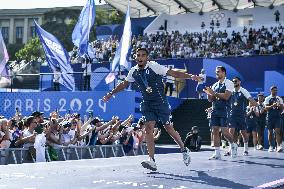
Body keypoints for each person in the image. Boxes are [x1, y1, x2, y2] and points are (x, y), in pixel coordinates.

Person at [103, 47, 199, 171]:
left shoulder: (154, 66)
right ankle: (151, 159)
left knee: (169, 128)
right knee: (148, 128)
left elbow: (173, 73)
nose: (140, 57)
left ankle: (183, 148)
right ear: (136, 57)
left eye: (143, 55)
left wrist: (191, 76)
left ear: (147, 58)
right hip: (147, 104)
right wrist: (111, 93)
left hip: (161, 103)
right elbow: (124, 84)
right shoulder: (133, 71)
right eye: (138, 55)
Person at [203, 66, 237, 160]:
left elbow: (226, 96)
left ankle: (233, 145)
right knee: (214, 131)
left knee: (225, 132)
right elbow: (211, 99)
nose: (217, 73)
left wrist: (213, 93)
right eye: (216, 72)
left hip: (225, 110)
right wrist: (208, 93)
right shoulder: (214, 85)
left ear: (224, 73)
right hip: (215, 110)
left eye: (218, 72)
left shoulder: (229, 83)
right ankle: (217, 153)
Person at [227, 77, 258, 156]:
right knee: (231, 132)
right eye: (233, 81)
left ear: (239, 82)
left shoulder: (244, 91)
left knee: (243, 133)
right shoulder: (230, 91)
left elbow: (251, 99)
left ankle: (246, 149)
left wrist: (258, 105)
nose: (234, 82)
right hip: (232, 115)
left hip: (241, 116)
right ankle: (230, 149)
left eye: (236, 81)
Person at [264, 86, 284, 152]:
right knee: (270, 132)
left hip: (277, 117)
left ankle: (278, 146)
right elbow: (266, 108)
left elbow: (282, 108)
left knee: (277, 131)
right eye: (274, 90)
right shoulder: (267, 98)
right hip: (270, 117)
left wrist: (279, 106)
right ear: (271, 91)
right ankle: (271, 146)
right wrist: (272, 106)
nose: (275, 91)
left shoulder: (279, 98)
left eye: (276, 90)